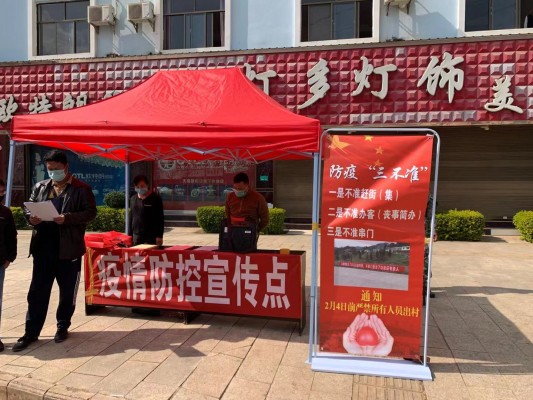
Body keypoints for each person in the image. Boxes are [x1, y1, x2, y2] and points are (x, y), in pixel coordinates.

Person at [14, 150, 96, 352]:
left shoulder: (81, 189)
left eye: (56, 169)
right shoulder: (40, 187)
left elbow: (90, 213)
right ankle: (31, 332)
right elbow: (28, 207)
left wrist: (67, 218)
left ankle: (62, 326)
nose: (52, 173)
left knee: (67, 293)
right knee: (37, 293)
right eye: (49, 169)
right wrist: (30, 218)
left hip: (69, 250)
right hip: (43, 249)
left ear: (66, 167)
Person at [0, 179, 17, 352]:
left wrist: (10, 258)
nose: (0, 195)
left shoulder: (5, 212)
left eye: (2, 192)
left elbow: (11, 236)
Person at [130, 175, 164, 246]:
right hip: (136, 236)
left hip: (151, 236)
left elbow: (160, 218)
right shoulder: (133, 199)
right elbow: (131, 217)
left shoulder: (155, 198)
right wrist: (129, 235)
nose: (140, 188)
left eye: (142, 186)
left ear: (147, 185)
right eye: (137, 187)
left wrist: (159, 236)